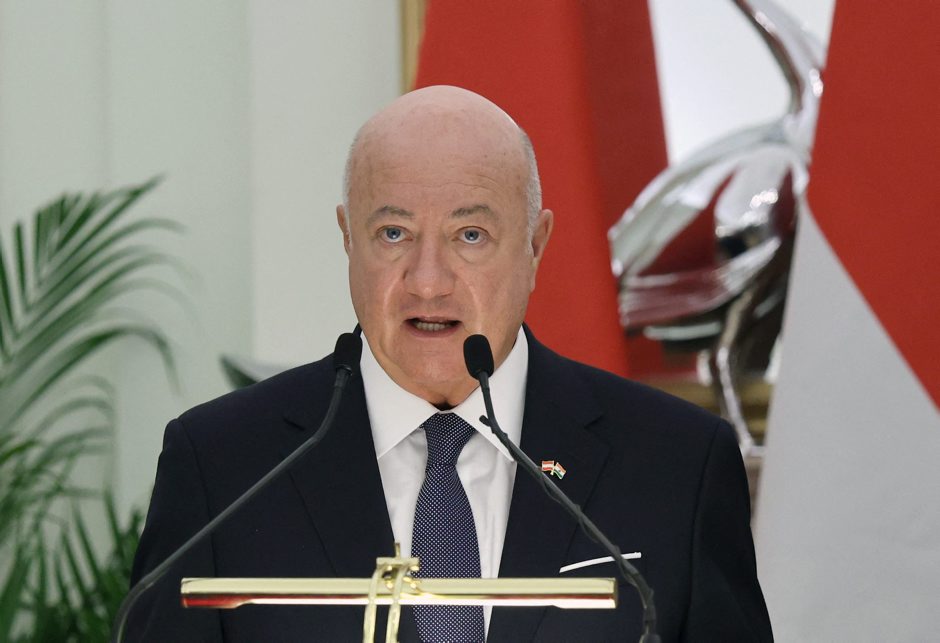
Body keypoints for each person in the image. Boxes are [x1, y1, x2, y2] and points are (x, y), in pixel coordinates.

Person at [129, 85, 772, 641]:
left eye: (470, 236)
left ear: (535, 246)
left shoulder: (677, 466)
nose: (428, 282)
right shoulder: (222, 467)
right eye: (393, 234)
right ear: (348, 239)